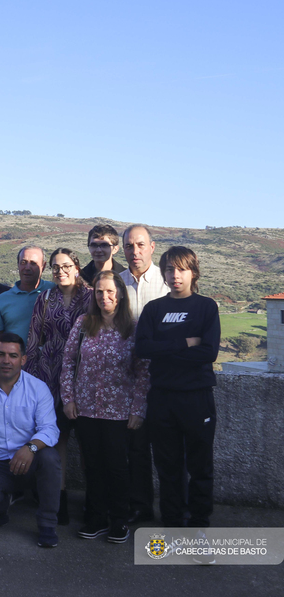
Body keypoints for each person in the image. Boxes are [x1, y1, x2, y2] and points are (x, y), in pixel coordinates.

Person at [61, 271, 149, 544]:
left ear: (120, 293)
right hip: (86, 408)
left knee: (117, 467)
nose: (104, 297)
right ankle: (96, 518)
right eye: (99, 292)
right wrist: (69, 399)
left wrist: (138, 409)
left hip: (118, 411)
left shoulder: (133, 327)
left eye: (110, 291)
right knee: (94, 465)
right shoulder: (84, 323)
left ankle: (119, 521)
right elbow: (68, 362)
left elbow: (143, 371)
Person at [135, 247, 220, 529]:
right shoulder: (154, 309)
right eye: (169, 269)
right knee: (167, 465)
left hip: (197, 397)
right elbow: (143, 348)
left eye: (181, 269)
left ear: (193, 272)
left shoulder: (206, 307)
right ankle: (171, 518)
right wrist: (185, 343)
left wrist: (164, 351)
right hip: (162, 398)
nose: (175, 275)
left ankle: (199, 519)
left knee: (200, 465)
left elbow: (208, 353)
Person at [0, 333, 61, 548]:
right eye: (1, 354)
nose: (7, 360)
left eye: (13, 356)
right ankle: (1, 505)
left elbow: (50, 430)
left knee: (50, 459)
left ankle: (47, 525)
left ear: (23, 360)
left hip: (28, 462)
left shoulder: (38, 388)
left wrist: (31, 447)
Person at [24, 248, 93, 524]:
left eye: (66, 266)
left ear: (76, 267)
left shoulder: (91, 297)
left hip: (84, 375)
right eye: (55, 267)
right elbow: (33, 338)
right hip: (49, 377)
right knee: (57, 441)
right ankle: (59, 500)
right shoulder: (46, 298)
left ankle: (93, 501)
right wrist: (29, 378)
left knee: (88, 443)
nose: (60, 271)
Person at [119, 224, 169, 524]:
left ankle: (175, 509)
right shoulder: (117, 283)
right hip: (126, 381)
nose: (134, 251)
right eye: (128, 246)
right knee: (134, 448)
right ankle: (140, 505)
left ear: (152, 246)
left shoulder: (167, 283)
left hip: (163, 379)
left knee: (167, 449)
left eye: (139, 245)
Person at [0, 245, 55, 343]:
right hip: (14, 357)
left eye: (33, 263)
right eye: (23, 262)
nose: (27, 267)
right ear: (18, 265)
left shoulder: (54, 291)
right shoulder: (4, 299)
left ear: (43, 266)